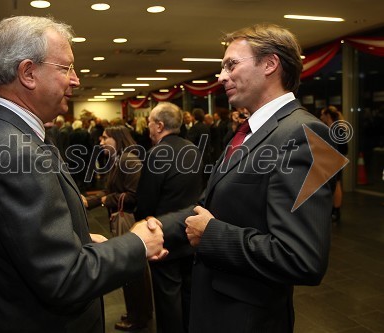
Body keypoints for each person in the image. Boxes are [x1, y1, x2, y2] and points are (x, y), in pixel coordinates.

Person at [0, 16, 167, 333]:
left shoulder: (4, 132)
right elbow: (65, 278)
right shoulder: (17, 152)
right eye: (66, 68)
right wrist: (138, 243)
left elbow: (28, 242)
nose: (76, 80)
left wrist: (82, 240)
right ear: (28, 73)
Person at [158, 23, 334, 332]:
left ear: (269, 64)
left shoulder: (307, 134)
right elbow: (207, 207)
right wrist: (153, 230)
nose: (222, 76)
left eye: (231, 64)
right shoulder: (248, 132)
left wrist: (212, 235)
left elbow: (302, 258)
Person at [136, 102, 204, 333]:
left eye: (149, 124)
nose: (148, 129)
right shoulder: (192, 148)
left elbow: (145, 201)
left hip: (163, 235)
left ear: (159, 125)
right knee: (190, 294)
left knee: (167, 300)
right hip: (192, 231)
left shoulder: (157, 154)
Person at [83, 126, 154, 331]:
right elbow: (111, 190)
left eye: (105, 138)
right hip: (122, 219)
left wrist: (105, 199)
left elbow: (132, 195)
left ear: (117, 139)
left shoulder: (128, 160)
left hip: (129, 221)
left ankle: (138, 316)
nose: (101, 141)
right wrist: (92, 201)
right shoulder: (119, 160)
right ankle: (136, 312)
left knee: (131, 271)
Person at [320, 105, 348, 222]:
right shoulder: (329, 128)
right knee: (333, 185)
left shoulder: (337, 129)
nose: (321, 117)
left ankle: (336, 210)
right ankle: (332, 209)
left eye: (322, 114)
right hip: (330, 161)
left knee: (336, 185)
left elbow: (344, 148)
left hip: (335, 161)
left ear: (327, 116)